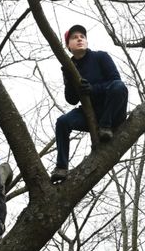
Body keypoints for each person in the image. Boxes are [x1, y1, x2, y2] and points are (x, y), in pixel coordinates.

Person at [51, 24, 128, 183]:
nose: (79, 39)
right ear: (68, 46)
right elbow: (71, 99)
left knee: (119, 87)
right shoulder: (70, 67)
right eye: (74, 37)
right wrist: (69, 79)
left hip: (112, 111)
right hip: (91, 112)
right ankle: (61, 167)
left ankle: (106, 127)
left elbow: (116, 82)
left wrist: (93, 89)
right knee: (62, 122)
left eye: (82, 36)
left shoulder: (101, 57)